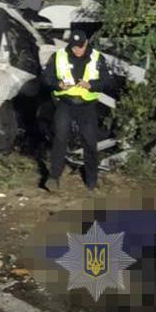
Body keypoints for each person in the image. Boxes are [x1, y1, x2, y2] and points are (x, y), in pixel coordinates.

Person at [41, 29, 113, 191]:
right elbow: (46, 77)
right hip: (65, 103)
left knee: (89, 142)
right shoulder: (59, 56)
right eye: (74, 47)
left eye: (80, 46)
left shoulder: (97, 58)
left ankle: (91, 180)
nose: (77, 50)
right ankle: (53, 177)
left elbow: (107, 81)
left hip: (87, 105)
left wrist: (91, 85)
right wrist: (57, 84)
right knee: (60, 138)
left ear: (86, 43)